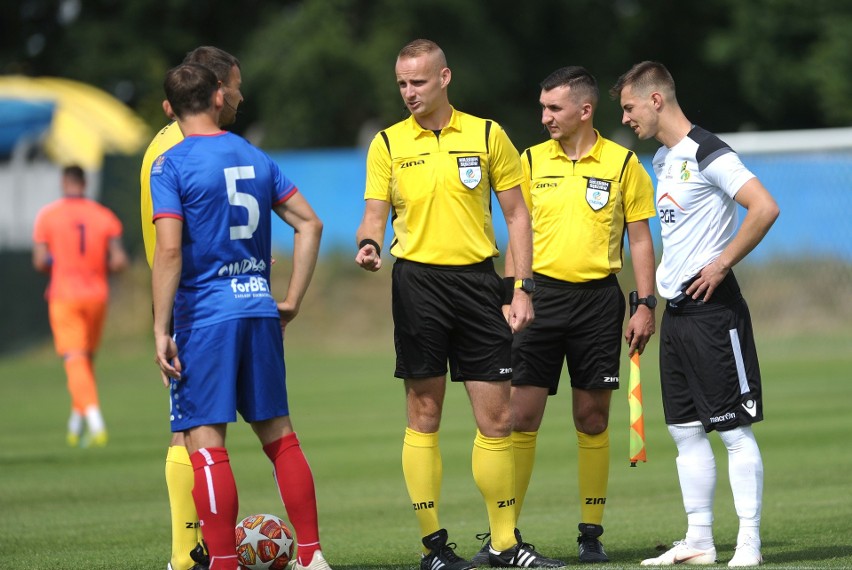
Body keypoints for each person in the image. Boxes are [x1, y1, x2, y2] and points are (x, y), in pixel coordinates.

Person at [355, 38, 563, 570]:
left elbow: (518, 216)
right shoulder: (387, 143)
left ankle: (504, 544)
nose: (408, 92)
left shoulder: (489, 134)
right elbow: (375, 210)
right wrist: (369, 242)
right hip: (417, 283)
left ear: (444, 79)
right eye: (401, 83)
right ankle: (434, 548)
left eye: (418, 82)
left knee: (497, 419)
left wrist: (521, 288)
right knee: (423, 412)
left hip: (478, 284)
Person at [471, 66, 657, 566]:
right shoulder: (529, 161)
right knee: (519, 417)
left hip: (599, 302)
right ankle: (504, 536)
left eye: (554, 108)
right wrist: (513, 295)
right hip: (539, 299)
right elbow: (517, 234)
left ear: (585, 110)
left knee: (592, 418)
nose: (545, 116)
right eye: (543, 107)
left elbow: (640, 239)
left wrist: (645, 302)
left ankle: (591, 533)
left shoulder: (623, 165)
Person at [150, 62, 331, 570]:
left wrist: (161, 328)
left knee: (206, 442)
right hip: (258, 307)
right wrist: (290, 298)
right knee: (280, 437)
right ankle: (314, 559)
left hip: (205, 318)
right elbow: (310, 224)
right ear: (216, 98)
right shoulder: (255, 156)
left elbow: (168, 252)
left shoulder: (170, 165)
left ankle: (224, 562)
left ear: (169, 109)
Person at [610, 61, 779, 567]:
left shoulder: (709, 152)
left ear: (655, 100)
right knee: (684, 431)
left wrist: (722, 264)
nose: (626, 119)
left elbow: (764, 207)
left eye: (629, 107)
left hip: (713, 313)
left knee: (732, 430)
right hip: (677, 317)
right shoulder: (661, 160)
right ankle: (700, 540)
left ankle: (749, 540)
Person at [139, 46, 243, 570]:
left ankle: (194, 550)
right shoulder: (186, 145)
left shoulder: (163, 143)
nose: (240, 96)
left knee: (189, 425)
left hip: (186, 292)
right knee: (189, 427)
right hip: (194, 298)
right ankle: (188, 554)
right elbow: (171, 240)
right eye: (236, 86)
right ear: (216, 89)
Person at [32, 164, 128, 448]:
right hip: (97, 294)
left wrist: (61, 261)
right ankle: (76, 424)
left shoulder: (48, 216)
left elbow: (39, 261)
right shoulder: (103, 216)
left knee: (74, 360)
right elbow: (119, 260)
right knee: (85, 361)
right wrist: (98, 265)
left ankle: (96, 422)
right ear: (85, 184)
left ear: (64, 183)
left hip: (64, 294)